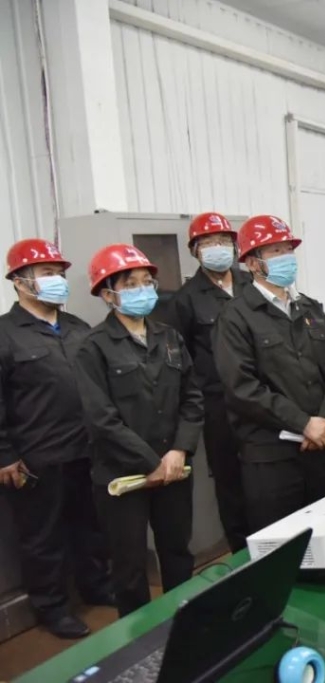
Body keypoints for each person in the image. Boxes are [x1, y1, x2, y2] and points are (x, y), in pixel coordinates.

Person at [75, 244, 203, 617]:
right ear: (107, 294)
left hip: (174, 468)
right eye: (130, 284)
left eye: (147, 281)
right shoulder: (92, 348)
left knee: (177, 552)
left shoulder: (170, 337)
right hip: (123, 475)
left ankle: (184, 622)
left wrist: (179, 450)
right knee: (129, 566)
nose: (142, 289)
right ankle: (138, 639)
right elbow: (101, 419)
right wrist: (151, 462)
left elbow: (192, 398)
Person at [0, 239, 113, 639]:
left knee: (91, 526)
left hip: (87, 449)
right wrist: (5, 454)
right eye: (47, 273)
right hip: (37, 457)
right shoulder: (5, 334)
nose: (57, 281)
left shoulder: (78, 327)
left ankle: (96, 586)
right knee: (42, 537)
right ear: (20, 281)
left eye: (59, 273)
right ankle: (52, 607)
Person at [214, 215, 325, 532]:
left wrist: (323, 421)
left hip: (322, 447)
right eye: (275, 251)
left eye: (288, 249)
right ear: (252, 263)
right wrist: (303, 424)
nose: (286, 257)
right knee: (283, 543)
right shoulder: (235, 317)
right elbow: (242, 387)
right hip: (272, 457)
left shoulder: (310, 308)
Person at [170, 212, 252, 553]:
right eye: (208, 243)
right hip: (220, 405)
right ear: (194, 251)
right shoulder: (186, 299)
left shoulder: (252, 283)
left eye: (223, 241)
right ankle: (243, 554)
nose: (218, 248)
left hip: (264, 396)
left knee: (268, 477)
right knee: (231, 482)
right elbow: (182, 362)